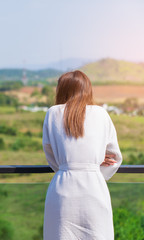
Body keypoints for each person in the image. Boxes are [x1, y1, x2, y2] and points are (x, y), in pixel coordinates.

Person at [42, 70, 122, 240]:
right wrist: (94, 168)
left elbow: (50, 154)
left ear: (61, 90)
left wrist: (67, 167)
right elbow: (114, 156)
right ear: (87, 89)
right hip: (94, 189)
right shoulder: (101, 114)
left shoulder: (53, 113)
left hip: (62, 188)